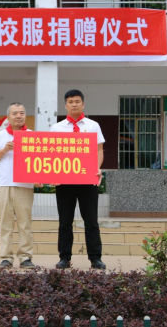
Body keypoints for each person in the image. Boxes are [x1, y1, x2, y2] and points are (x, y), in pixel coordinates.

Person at [50, 89, 106, 270]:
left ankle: (95, 258)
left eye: (77, 101)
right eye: (70, 102)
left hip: (88, 180)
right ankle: (64, 258)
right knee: (65, 221)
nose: (74, 104)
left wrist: (97, 169)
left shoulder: (93, 125)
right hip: (64, 182)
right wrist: (52, 175)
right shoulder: (57, 128)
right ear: (65, 105)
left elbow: (99, 150)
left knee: (91, 221)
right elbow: (51, 154)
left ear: (83, 104)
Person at [0, 102, 36, 269]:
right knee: (5, 223)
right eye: (15, 113)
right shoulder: (0, 136)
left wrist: (39, 177)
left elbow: (38, 160)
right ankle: (6, 257)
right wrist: (4, 150)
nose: (18, 116)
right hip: (4, 184)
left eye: (22, 113)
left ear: (25, 116)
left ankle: (25, 257)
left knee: (25, 223)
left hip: (25, 185)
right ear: (8, 117)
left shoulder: (32, 135)